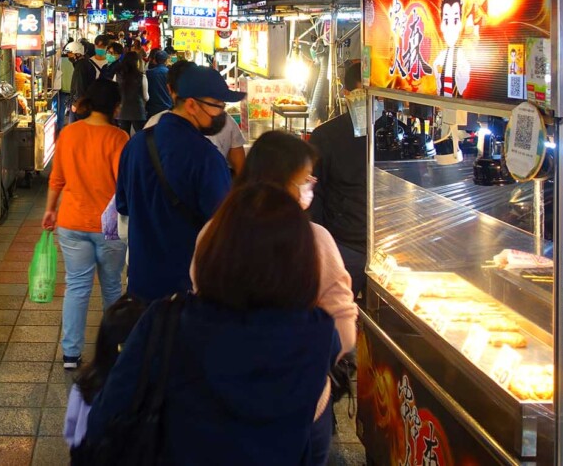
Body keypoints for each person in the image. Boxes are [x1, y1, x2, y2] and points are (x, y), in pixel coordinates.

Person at [87, 185, 339, 465]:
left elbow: (104, 420)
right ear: (303, 264)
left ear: (213, 249)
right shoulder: (318, 335)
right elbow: (316, 445)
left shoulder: (166, 322)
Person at [234, 130, 357, 464]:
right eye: (305, 179)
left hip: (228, 395)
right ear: (282, 182)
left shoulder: (213, 233)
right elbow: (343, 327)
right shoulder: (314, 240)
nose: (311, 187)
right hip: (301, 401)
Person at [116, 64, 243, 302]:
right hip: (186, 290)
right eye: (217, 106)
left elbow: (123, 206)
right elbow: (223, 228)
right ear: (192, 104)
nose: (222, 115)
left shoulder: (135, 145)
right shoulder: (206, 158)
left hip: (141, 282)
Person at [43, 79, 130, 369]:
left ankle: (70, 354)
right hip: (109, 228)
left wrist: (50, 210)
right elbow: (124, 186)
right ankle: (114, 349)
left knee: (77, 286)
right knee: (111, 288)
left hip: (72, 221)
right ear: (115, 107)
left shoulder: (69, 134)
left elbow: (57, 178)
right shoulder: (119, 139)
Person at [308, 61, 367, 299]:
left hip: (389, 254)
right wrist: (320, 247)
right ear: (347, 95)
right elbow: (314, 195)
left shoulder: (397, 134)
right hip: (344, 248)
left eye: (379, 96)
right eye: (365, 95)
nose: (373, 103)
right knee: (337, 313)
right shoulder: (326, 136)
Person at [64, 294, 147, 450]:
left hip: (92, 455)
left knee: (77, 286)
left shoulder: (85, 385)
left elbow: (71, 430)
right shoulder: (152, 385)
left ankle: (71, 351)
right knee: (111, 284)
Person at [145, 61, 245, 176]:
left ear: (170, 89)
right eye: (216, 103)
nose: (220, 111)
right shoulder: (209, 156)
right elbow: (240, 170)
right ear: (191, 104)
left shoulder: (149, 129)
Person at [114, 51, 148, 135]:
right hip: (138, 111)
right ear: (137, 62)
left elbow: (114, 92)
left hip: (121, 110)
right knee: (141, 136)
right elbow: (146, 97)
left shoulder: (117, 75)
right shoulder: (142, 76)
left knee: (124, 136)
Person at [66, 41, 97, 124]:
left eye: (70, 53)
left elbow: (79, 86)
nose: (68, 55)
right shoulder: (85, 63)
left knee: (75, 127)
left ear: (78, 54)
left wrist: (76, 103)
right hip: (84, 102)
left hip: (80, 104)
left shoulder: (80, 67)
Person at [145, 50, 172, 118]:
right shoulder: (170, 74)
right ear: (166, 61)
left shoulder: (148, 73)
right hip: (167, 107)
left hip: (152, 108)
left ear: (155, 60)